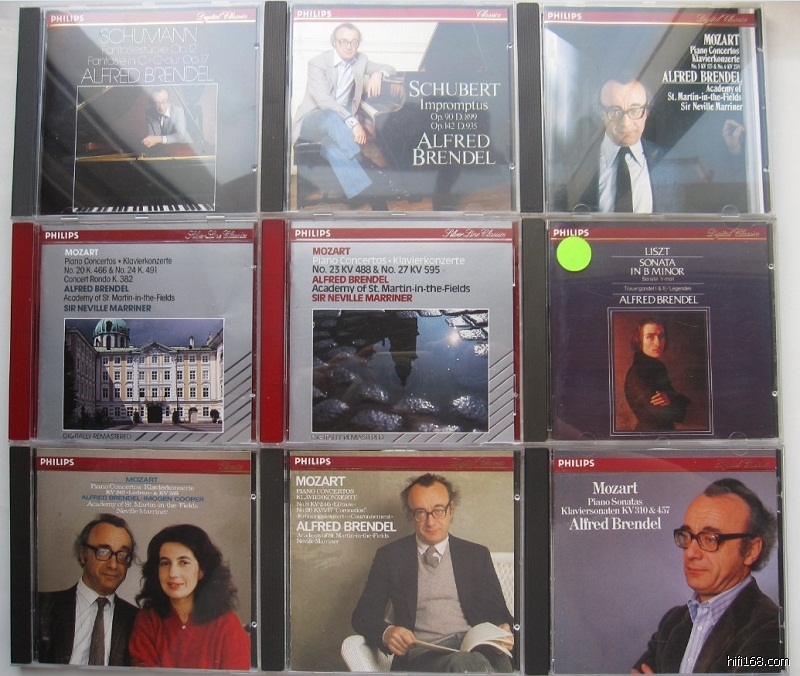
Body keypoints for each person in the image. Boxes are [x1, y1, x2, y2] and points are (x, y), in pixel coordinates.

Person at [352, 473, 514, 672]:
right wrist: (387, 632)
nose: (430, 522)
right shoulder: (391, 557)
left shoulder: (476, 555)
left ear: (451, 510)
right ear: (410, 516)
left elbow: (500, 615)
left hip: (474, 648)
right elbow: (363, 616)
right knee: (466, 663)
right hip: (423, 655)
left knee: (499, 662)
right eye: (420, 513)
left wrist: (504, 629)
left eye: (438, 511)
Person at [632, 479, 781, 673]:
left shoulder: (771, 628)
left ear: (751, 551)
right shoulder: (672, 622)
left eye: (710, 539)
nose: (691, 553)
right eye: (686, 536)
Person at [291, 22, 398, 207]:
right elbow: (324, 101)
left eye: (354, 42)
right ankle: (367, 165)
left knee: (332, 147)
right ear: (334, 42)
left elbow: (390, 68)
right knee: (330, 116)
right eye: (344, 41)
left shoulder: (360, 60)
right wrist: (352, 122)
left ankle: (370, 193)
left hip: (337, 128)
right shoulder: (317, 63)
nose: (349, 46)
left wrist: (378, 74)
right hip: (313, 121)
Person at [128, 524, 250, 670]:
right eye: (165, 563)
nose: (173, 573)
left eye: (183, 562)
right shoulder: (148, 620)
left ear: (201, 571)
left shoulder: (227, 624)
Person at [37, 514, 138, 666]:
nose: (113, 565)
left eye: (123, 555)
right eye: (103, 551)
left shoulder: (137, 620)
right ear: (83, 554)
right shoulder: (41, 606)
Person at [624, 317, 690, 431]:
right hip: (647, 435)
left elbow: (672, 398)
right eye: (650, 337)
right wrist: (678, 400)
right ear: (639, 340)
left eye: (661, 336)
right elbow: (677, 415)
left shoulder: (659, 367)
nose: (658, 343)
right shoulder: (637, 373)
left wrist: (671, 398)